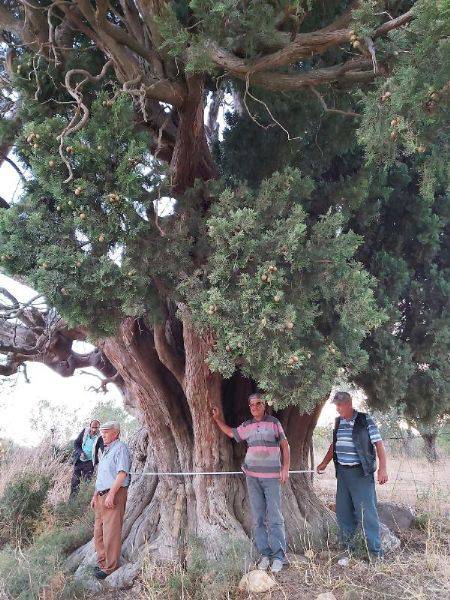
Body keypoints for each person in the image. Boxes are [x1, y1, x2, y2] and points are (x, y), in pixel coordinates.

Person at [212, 393, 290, 573]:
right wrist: (217, 419)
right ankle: (265, 554)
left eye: (258, 404)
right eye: (252, 405)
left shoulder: (274, 423)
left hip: (272, 478)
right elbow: (232, 433)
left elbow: (285, 446)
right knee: (258, 517)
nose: (254, 407)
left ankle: (278, 556)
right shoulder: (247, 426)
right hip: (252, 477)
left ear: (264, 405)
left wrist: (285, 468)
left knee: (275, 517)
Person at [316, 391, 388, 559]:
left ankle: (375, 552)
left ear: (349, 404)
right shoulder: (338, 421)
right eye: (336, 405)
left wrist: (382, 468)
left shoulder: (365, 420)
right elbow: (334, 445)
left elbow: (378, 444)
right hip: (343, 473)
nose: (338, 409)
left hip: (361, 473)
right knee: (343, 512)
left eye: (340, 405)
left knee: (366, 512)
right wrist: (325, 462)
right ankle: (348, 550)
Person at [91, 420, 131, 579]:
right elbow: (102, 476)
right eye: (102, 432)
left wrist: (112, 494)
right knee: (98, 532)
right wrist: (95, 494)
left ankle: (110, 567)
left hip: (113, 494)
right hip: (101, 496)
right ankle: (102, 563)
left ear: (116, 433)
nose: (103, 434)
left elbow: (122, 474)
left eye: (106, 431)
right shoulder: (106, 450)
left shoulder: (121, 448)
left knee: (111, 532)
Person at [70, 419, 103, 499]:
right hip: (79, 461)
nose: (94, 429)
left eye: (96, 428)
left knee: (86, 484)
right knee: (74, 482)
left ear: (99, 428)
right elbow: (76, 443)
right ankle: (71, 503)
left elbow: (103, 448)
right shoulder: (84, 431)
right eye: (93, 427)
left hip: (89, 463)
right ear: (90, 426)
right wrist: (81, 452)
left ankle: (82, 503)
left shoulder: (100, 436)